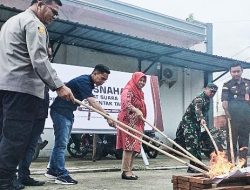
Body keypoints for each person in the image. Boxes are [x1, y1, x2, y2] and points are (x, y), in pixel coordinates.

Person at [0, 0, 74, 189]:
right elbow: (39, 60)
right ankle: (4, 180)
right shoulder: (34, 23)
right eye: (53, 11)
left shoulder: (11, 22)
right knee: (16, 138)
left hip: (8, 88)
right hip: (23, 89)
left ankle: (15, 176)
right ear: (40, 3)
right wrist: (59, 86)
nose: (54, 17)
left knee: (11, 136)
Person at [45, 64, 115, 185]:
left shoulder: (88, 83)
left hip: (66, 112)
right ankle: (61, 175)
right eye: (102, 78)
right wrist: (107, 117)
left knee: (60, 143)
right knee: (61, 144)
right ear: (95, 73)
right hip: (60, 111)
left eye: (105, 80)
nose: (103, 82)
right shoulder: (84, 81)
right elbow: (92, 102)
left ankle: (52, 170)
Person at [175, 83, 218, 173]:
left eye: (214, 92)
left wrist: (201, 121)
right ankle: (193, 166)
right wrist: (202, 119)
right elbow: (198, 110)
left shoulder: (208, 100)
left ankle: (197, 164)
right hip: (188, 123)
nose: (212, 93)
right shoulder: (199, 99)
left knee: (197, 144)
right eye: (211, 91)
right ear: (205, 89)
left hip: (196, 124)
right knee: (192, 145)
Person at [116, 72, 147, 180]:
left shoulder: (140, 92)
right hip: (128, 121)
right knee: (129, 147)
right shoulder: (128, 89)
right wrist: (136, 110)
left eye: (144, 81)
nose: (142, 83)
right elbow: (125, 104)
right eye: (140, 80)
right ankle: (125, 171)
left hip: (137, 122)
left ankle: (130, 169)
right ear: (135, 79)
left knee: (134, 148)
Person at [221, 63, 250, 167]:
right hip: (232, 117)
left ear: (242, 71)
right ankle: (231, 165)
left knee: (244, 141)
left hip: (246, 118)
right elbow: (224, 101)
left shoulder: (248, 83)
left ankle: (243, 165)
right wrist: (227, 113)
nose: (236, 73)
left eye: (238, 71)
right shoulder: (227, 84)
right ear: (230, 72)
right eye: (234, 71)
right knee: (231, 141)